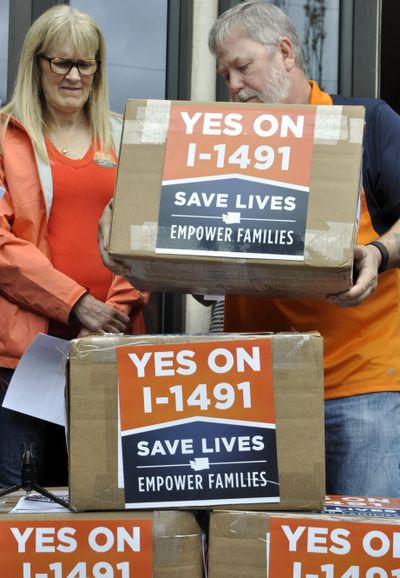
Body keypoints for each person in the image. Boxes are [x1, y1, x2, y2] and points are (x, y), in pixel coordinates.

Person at [99, 1, 400, 497]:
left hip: (359, 389)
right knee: (258, 555)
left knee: (365, 552)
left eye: (243, 67)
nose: (234, 86)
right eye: (225, 75)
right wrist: (125, 222)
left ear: (285, 52)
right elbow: (162, 223)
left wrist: (380, 254)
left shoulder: (364, 123)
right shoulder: (215, 143)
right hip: (255, 389)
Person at [0, 5, 148, 488]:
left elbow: (145, 235)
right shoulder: (6, 138)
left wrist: (110, 316)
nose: (73, 76)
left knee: (99, 500)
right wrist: (76, 303)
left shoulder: (126, 137)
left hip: (110, 346)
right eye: (60, 62)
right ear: (35, 64)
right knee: (17, 505)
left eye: (86, 64)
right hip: (23, 361)